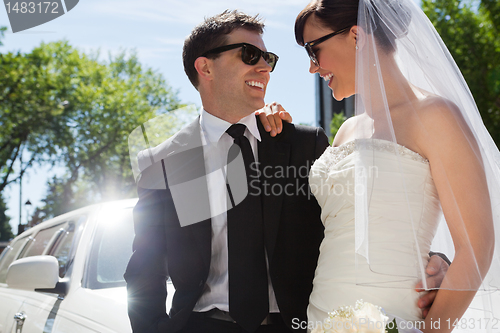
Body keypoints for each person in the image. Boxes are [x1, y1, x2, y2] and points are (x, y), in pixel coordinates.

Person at [124, 9, 448, 333]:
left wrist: (433, 261)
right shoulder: (165, 161)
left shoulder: (304, 145)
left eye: (269, 58)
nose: (264, 68)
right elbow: (145, 270)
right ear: (205, 66)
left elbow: (353, 222)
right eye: (250, 55)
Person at [288, 0, 500, 331]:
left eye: (313, 51)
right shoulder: (346, 131)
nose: (312, 69)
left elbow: (477, 246)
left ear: (356, 36)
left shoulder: (435, 116)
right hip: (319, 317)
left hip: (395, 319)